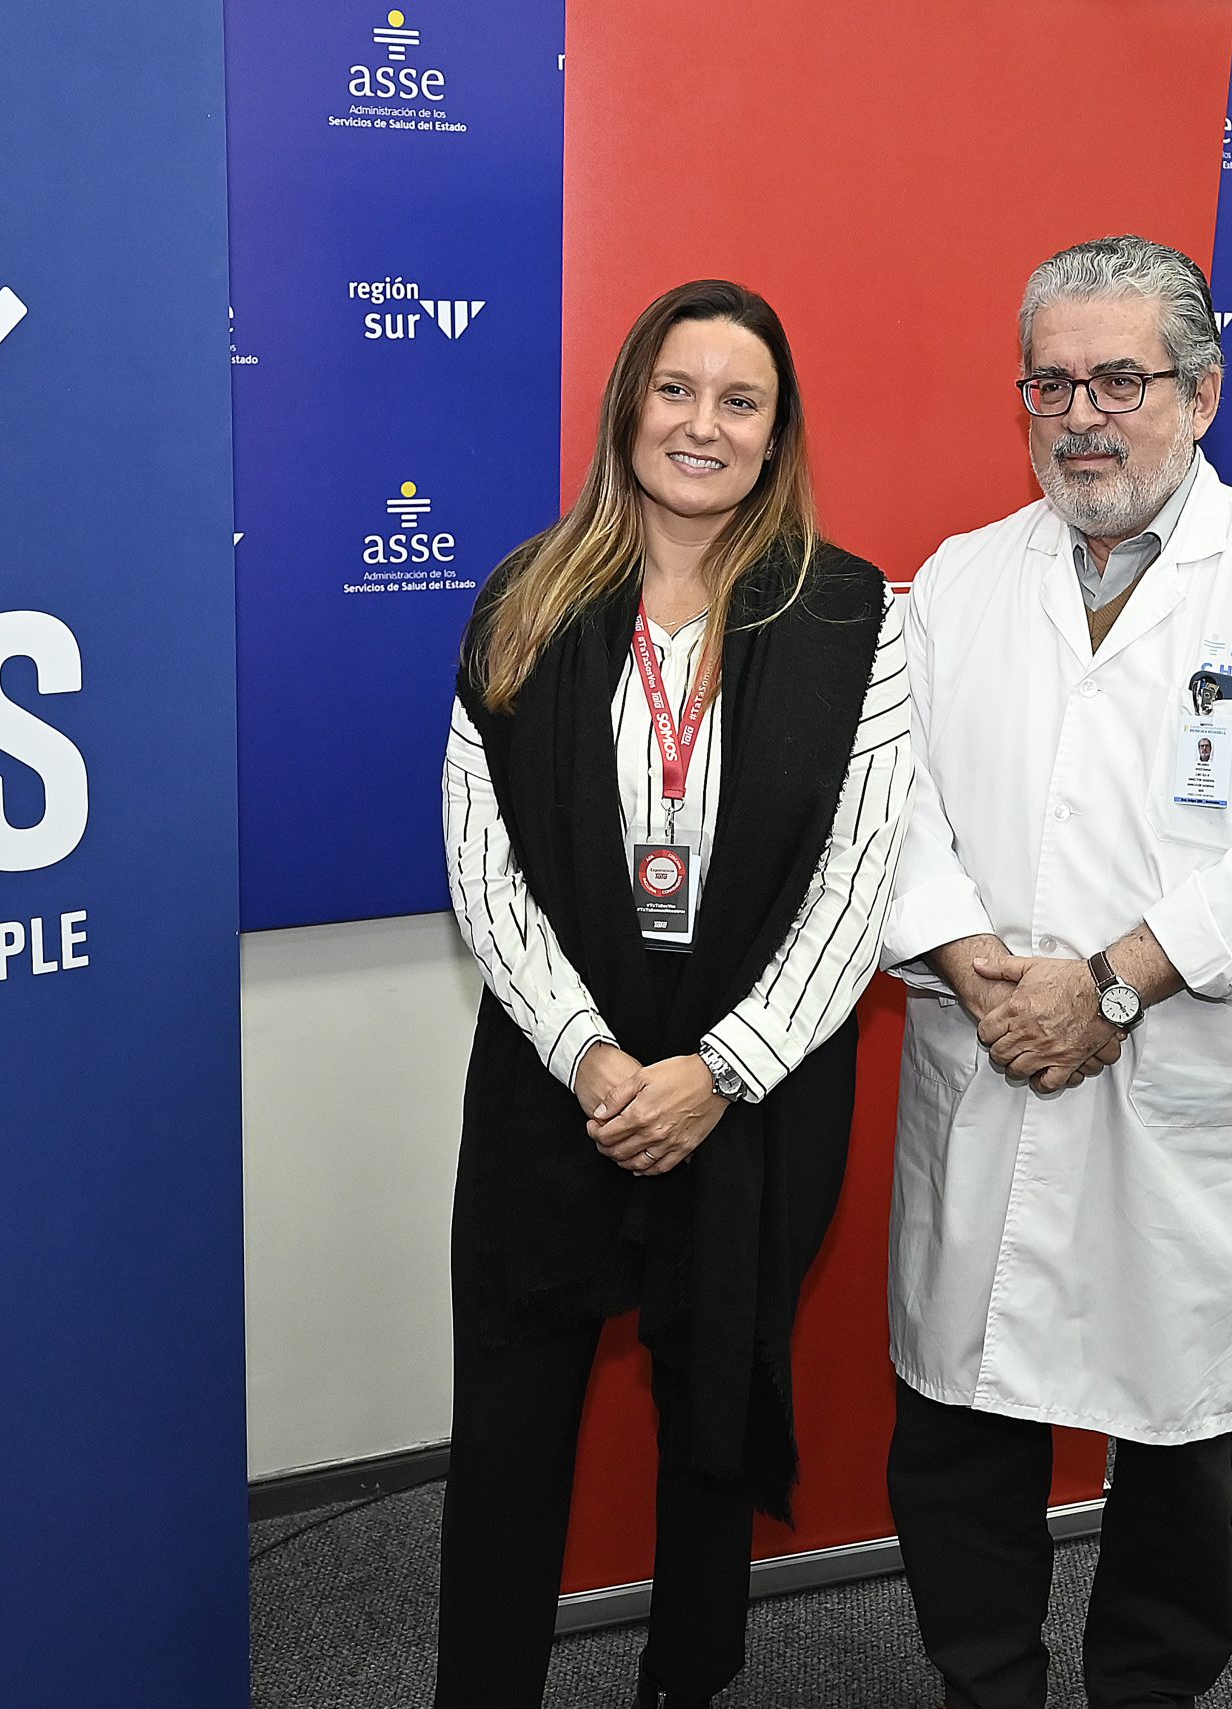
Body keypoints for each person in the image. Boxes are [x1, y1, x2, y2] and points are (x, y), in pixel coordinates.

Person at [880, 235, 1232, 1709]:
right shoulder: (963, 584)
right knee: (962, 1425)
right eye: (1051, 380)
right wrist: (984, 970)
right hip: (988, 1061)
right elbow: (894, 806)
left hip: (1177, 1083)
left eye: (1121, 376)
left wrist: (1108, 985)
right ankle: (986, 1682)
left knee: (1174, 1444)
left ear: (1203, 391)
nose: (1082, 412)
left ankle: (1149, 1689)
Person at [436, 279, 911, 1709]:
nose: (702, 424)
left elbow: (860, 878)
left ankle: (683, 1682)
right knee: (512, 1428)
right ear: (628, 407)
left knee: (712, 1417)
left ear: (777, 436)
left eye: (739, 399)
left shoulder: (855, 613)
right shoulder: (524, 598)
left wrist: (723, 1068)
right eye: (676, 389)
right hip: (552, 1077)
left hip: (746, 1085)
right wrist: (589, 1054)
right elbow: (482, 864)